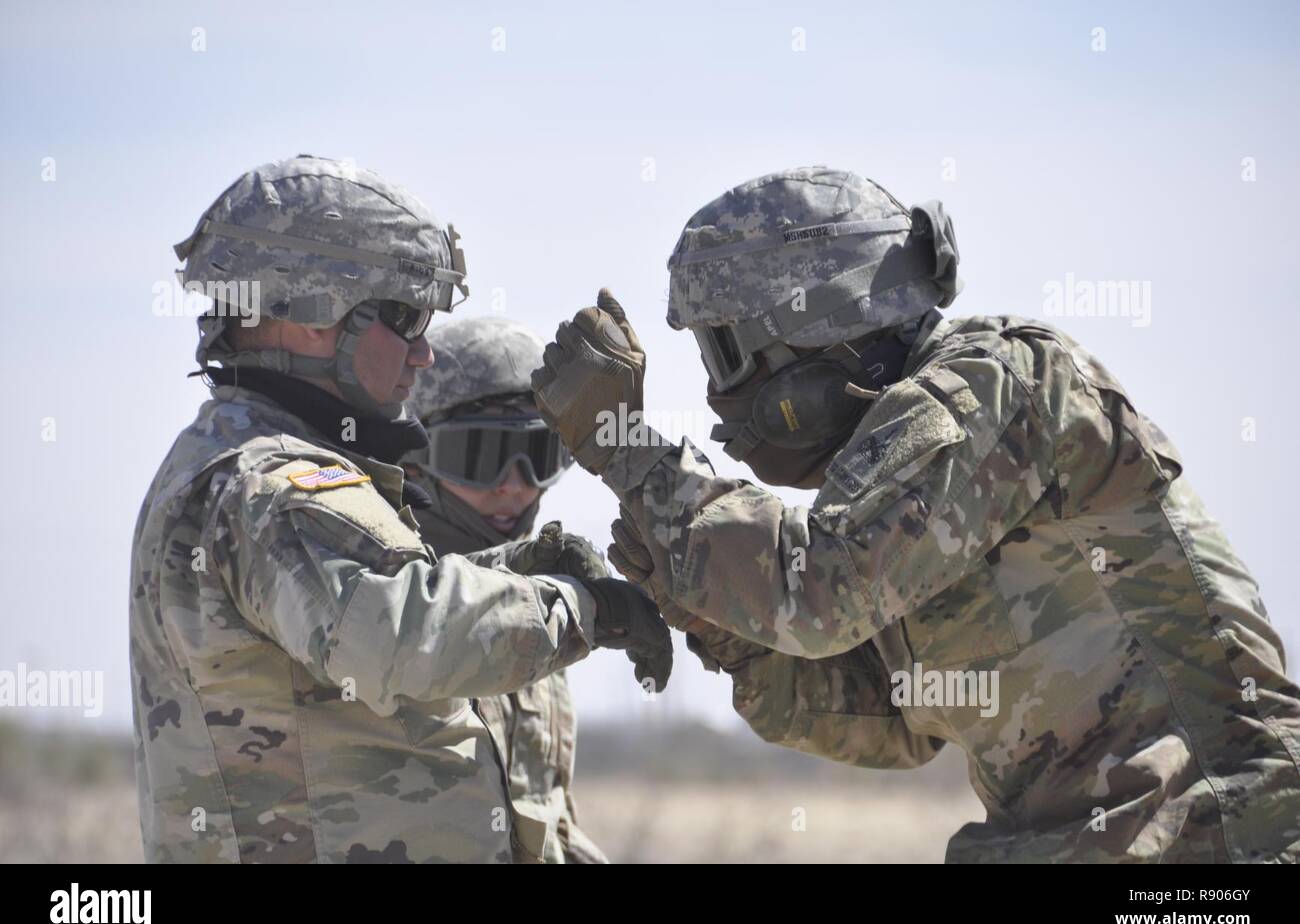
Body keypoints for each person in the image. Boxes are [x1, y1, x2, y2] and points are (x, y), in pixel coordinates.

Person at [531, 166, 1300, 862]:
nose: (713, 396)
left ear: (813, 323)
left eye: (723, 354)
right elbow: (893, 718)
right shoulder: (913, 495)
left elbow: (823, 591)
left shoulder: (998, 384)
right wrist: (717, 621)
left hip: (1218, 842)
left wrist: (629, 452)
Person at [129, 155, 671, 863]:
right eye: (405, 319)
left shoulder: (265, 469)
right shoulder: (271, 485)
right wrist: (586, 608)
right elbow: (401, 634)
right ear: (308, 315)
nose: (422, 357)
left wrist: (520, 567)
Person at [400, 316, 608, 863]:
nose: (513, 485)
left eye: (537, 457)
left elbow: (548, 825)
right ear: (417, 462)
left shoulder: (540, 605)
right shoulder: (384, 599)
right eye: (479, 458)